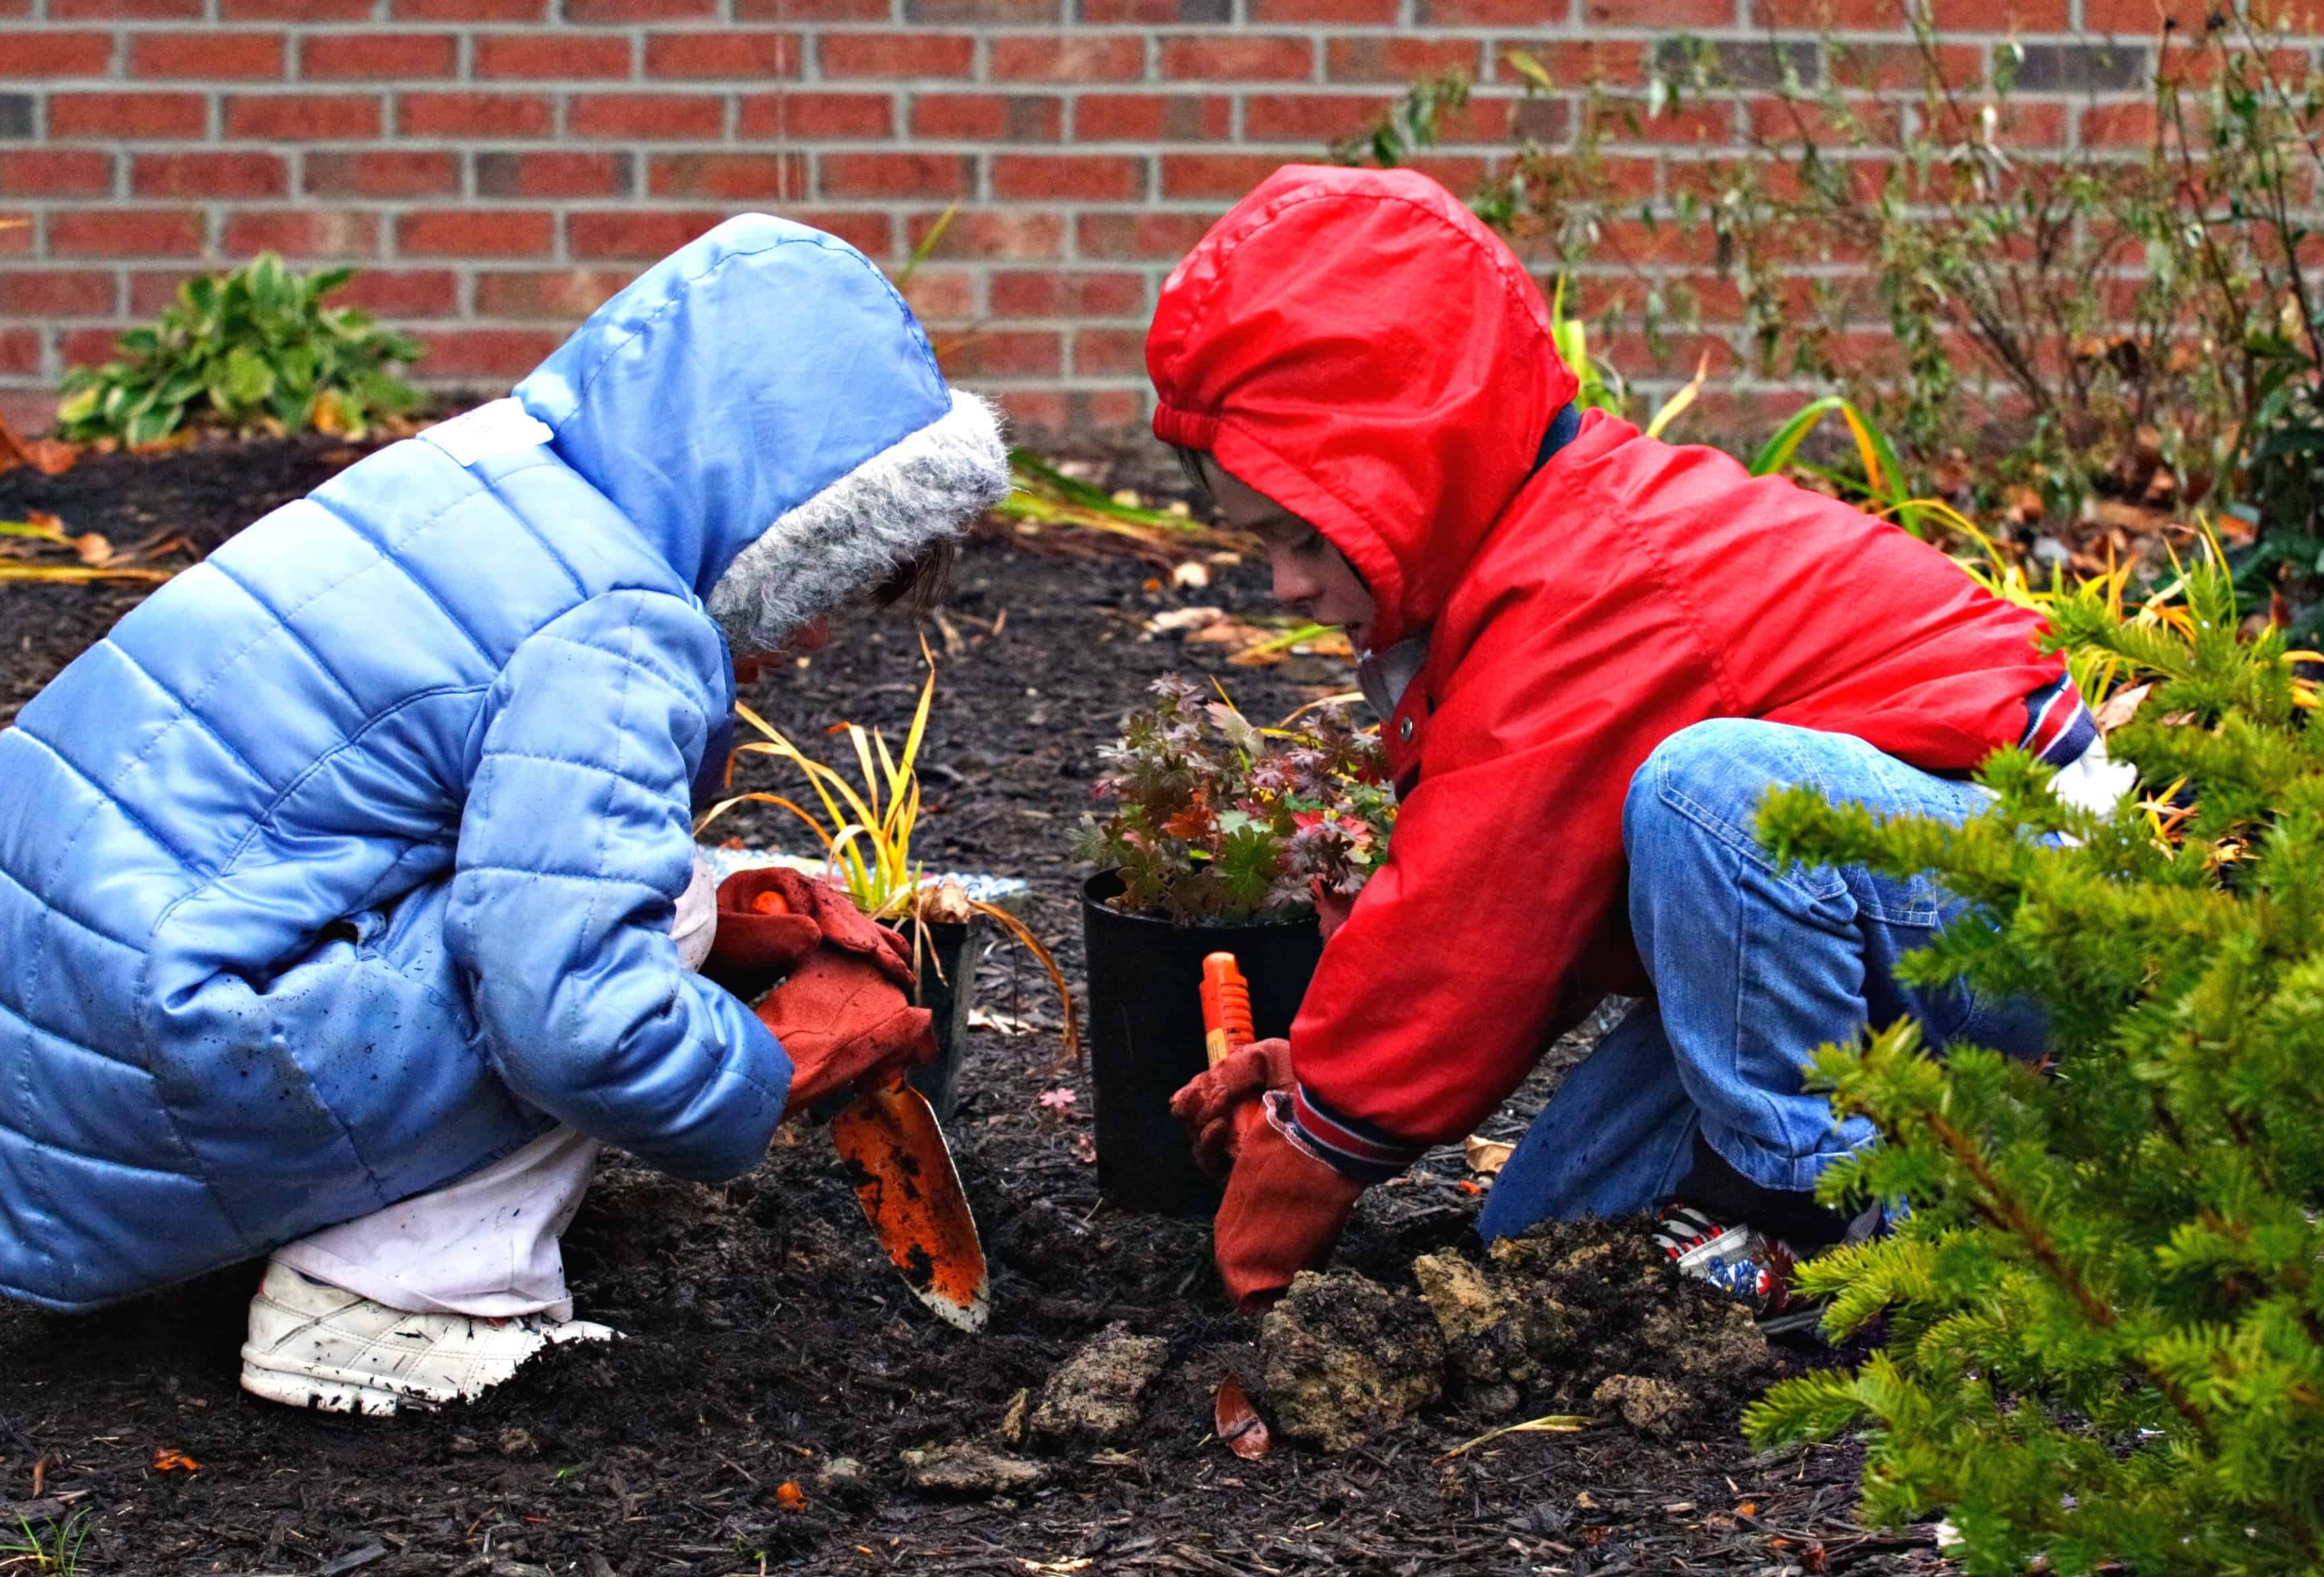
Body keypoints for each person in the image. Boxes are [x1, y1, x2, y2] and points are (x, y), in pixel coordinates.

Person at [0, 215, 1008, 1412]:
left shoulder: (478, 479)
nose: (814, 636)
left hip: (51, 1026)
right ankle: (390, 1313)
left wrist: (721, 919)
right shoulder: (619, 627)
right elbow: (573, 1020)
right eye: (836, 587)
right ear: (795, 519)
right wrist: (781, 1059)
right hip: (151, 1058)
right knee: (618, 944)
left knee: (668, 890)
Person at [1157, 166, 2132, 1322]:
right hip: (1871, 915)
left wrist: (1304, 1158)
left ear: (1411, 473)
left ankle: (1811, 1214)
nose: (1286, 584)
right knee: (1540, 1237)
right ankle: (1961, 1164)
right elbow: (1530, 934)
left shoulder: (1594, 585)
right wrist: (1318, 1079)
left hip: (2013, 891)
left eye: (1304, 536)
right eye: (1257, 543)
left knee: (1709, 798)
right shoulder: (1522, 561)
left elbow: (1470, 928)